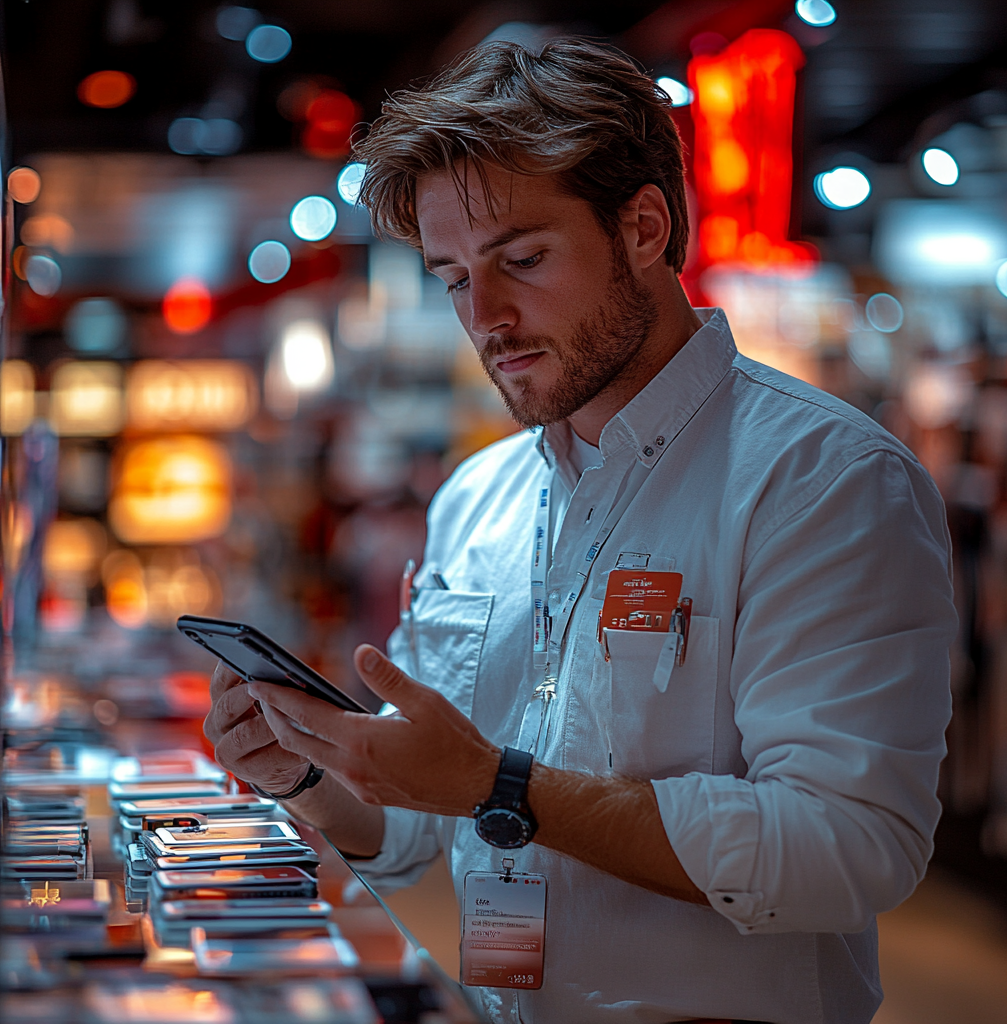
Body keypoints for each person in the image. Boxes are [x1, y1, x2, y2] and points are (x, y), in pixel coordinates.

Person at [204, 39, 957, 1024]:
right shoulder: (478, 494)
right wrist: (310, 773)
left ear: (643, 226)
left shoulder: (822, 477)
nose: (488, 318)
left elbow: (849, 847)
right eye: (452, 277)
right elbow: (416, 827)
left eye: (522, 259)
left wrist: (496, 783)